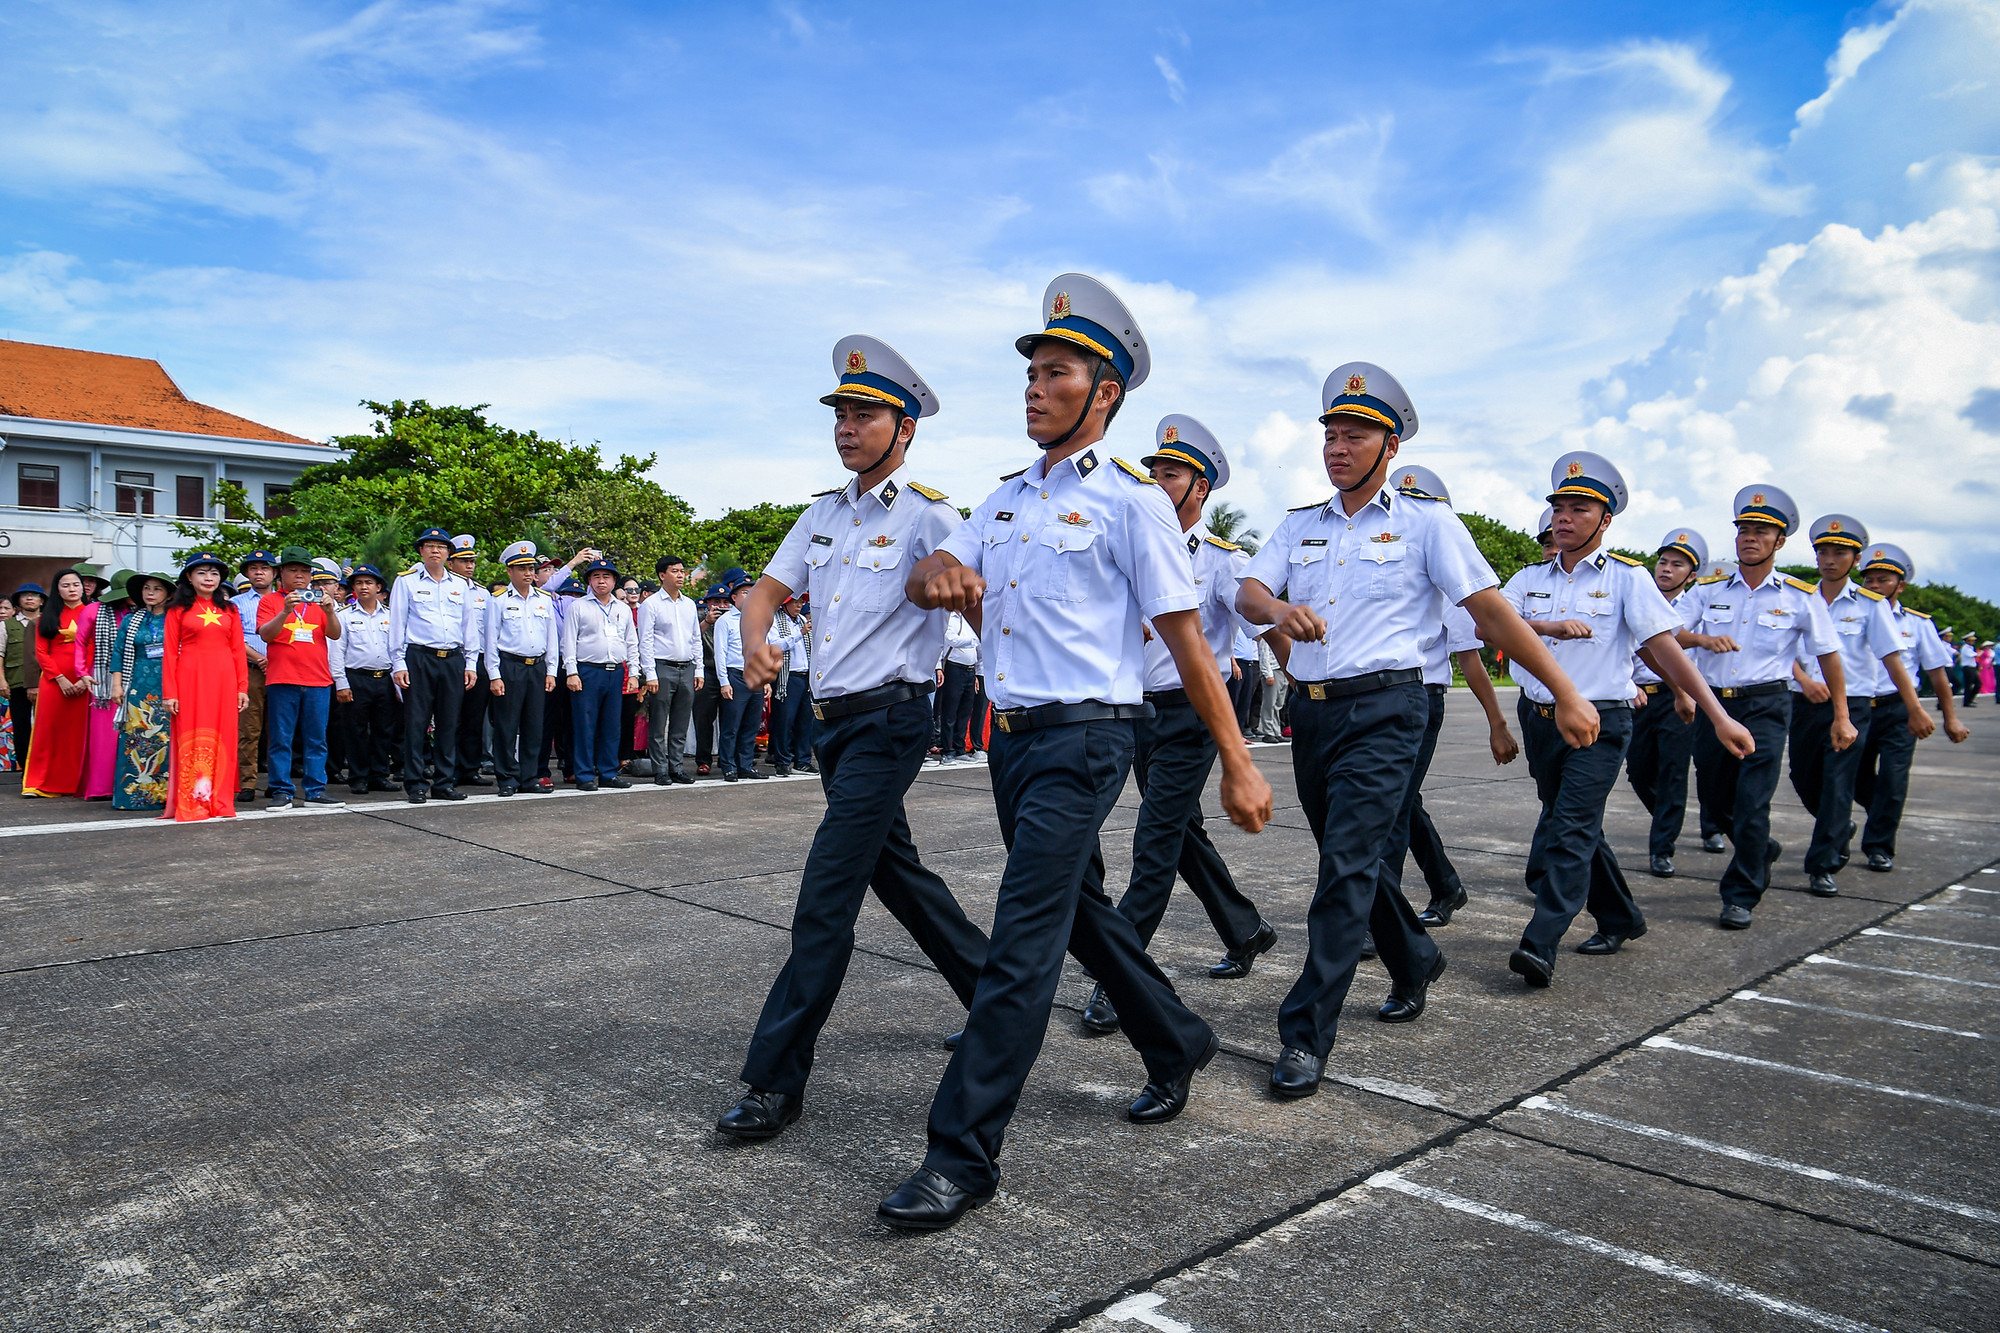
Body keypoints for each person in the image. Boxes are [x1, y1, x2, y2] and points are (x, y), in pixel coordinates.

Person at [894, 275, 1273, 1230]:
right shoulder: (1007, 496)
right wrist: (934, 567)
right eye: (1030, 371)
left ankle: (961, 1154)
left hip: (1091, 737)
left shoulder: (1132, 501)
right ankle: (1177, 1036)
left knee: (1023, 939)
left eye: (1054, 372)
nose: (1033, 387)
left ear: (1102, 394)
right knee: (1075, 912)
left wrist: (1238, 758)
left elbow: (1187, 641)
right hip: (1012, 741)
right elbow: (942, 567)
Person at [1237, 363, 1600, 1094]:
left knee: (1342, 869)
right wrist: (1277, 612)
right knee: (1355, 860)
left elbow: (1492, 612)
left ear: (1390, 445)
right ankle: (1415, 956)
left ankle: (1305, 1033)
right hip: (1312, 711)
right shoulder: (1298, 525)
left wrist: (1563, 690)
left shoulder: (1428, 524)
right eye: (1331, 435)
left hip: (1388, 711)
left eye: (1356, 435)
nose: (1338, 448)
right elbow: (1248, 589)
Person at [716, 333, 991, 1146]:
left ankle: (774, 1078)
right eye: (841, 411)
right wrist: (755, 641)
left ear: (904, 429)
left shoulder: (928, 512)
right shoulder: (821, 513)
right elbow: (762, 593)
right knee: (897, 876)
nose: (847, 425)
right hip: (833, 727)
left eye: (865, 413)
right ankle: (994, 995)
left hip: (891, 718)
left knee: (825, 897)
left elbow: (970, 591)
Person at [1500, 454, 1751, 984]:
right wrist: (1548, 624)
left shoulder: (1627, 579)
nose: (1564, 518)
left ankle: (1540, 941)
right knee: (1576, 823)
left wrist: (1718, 716)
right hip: (1539, 719)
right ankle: (1620, 916)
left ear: (1606, 520)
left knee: (1568, 830)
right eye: (1559, 509)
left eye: (1580, 509)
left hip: (1602, 721)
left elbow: (1667, 650)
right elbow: (1492, 628)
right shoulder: (1526, 578)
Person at [1081, 414, 1279, 1043]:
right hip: (1138, 710)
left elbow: (1254, 619)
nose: (1157, 481)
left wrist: (1295, 651)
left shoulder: (1222, 560)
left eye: (1171, 474)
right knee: (1180, 830)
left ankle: (1121, 978)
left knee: (1155, 839)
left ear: (1200, 489)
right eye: (1155, 471)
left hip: (1193, 714)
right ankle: (1244, 927)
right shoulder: (1133, 539)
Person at [1677, 486, 1849, 929]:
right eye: (1743, 531)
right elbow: (1668, 633)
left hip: (1767, 706)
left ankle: (1741, 893)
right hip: (1714, 705)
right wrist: (1701, 639)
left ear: (1780, 542)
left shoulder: (1799, 596)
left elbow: (1829, 655)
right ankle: (1759, 848)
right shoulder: (1708, 590)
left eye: (1760, 532)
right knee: (1716, 799)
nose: (1749, 539)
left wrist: (1842, 716)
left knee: (1753, 803)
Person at [1382, 465, 1520, 933]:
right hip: (1380, 697)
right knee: (1401, 802)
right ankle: (1445, 885)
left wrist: (1496, 723)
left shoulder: (1446, 573)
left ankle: (1382, 918)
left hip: (1422, 697)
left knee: (1393, 809)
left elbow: (1472, 658)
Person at [1787, 516, 1931, 897]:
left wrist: (1915, 708)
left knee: (1837, 784)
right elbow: (1780, 651)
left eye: (1839, 553)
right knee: (1803, 778)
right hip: (1804, 702)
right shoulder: (1798, 596)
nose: (1829, 560)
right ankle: (1839, 828)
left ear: (1855, 560)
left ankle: (1823, 864)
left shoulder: (1870, 605)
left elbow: (1892, 660)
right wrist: (1804, 680)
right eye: (1823, 552)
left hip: (1852, 707)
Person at [1854, 543, 1970, 870]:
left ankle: (1879, 846)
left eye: (1883, 580)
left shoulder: (1917, 624)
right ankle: (1881, 813)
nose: (1875, 586)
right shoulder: (1848, 614)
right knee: (1853, 777)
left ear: (1900, 585)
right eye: (1870, 580)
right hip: (1858, 708)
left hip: (1898, 710)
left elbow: (1938, 675)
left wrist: (1951, 719)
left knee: (1893, 778)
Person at [1625, 528, 1710, 877]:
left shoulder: (1695, 606)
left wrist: (1685, 693)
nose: (1666, 569)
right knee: (1639, 771)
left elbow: (1678, 641)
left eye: (1677, 565)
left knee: (1673, 772)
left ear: (1691, 575)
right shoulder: (1637, 595)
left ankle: (1662, 847)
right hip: (1639, 695)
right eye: (1663, 562)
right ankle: (1666, 818)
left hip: (1678, 699)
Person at [390, 528, 479, 804]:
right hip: (419, 657)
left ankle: (444, 782)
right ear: (421, 551)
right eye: (429, 546)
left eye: (441, 547)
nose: (435, 551)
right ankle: (416, 782)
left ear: (448, 553)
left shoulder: (459, 584)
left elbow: (468, 626)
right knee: (416, 723)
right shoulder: (405, 582)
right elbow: (397, 624)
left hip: (452, 658)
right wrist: (398, 663)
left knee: (448, 722)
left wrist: (471, 662)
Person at [161, 552, 249, 821]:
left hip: (224, 680)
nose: (208, 578)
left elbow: (237, 651)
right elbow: (169, 653)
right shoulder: (177, 610)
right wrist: (170, 693)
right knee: (191, 734)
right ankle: (193, 800)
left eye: (214, 573)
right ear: (189, 577)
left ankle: (220, 801)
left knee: (224, 736)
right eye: (201, 572)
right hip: (189, 678)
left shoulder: (230, 609)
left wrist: (242, 687)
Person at [256, 546, 344, 809]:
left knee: (316, 737)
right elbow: (266, 635)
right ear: (280, 573)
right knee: (281, 737)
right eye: (292, 570)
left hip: (318, 679)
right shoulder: (270, 601)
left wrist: (330, 610)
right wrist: (284, 611)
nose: (299, 575)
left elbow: (335, 634)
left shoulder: (317, 602)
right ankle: (281, 789)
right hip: (282, 678)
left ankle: (316, 790)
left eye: (304, 571)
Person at [485, 541, 560, 796]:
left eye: (531, 568)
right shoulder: (498, 600)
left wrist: (551, 671)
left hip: (536, 667)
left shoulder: (544, 599)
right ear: (509, 571)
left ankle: (529, 776)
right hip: (510, 666)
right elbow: (491, 641)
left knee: (533, 724)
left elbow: (552, 639)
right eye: (522, 568)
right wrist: (494, 675)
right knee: (507, 724)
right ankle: (507, 777)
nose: (528, 573)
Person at [560, 557, 640, 791]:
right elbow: (569, 642)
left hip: (615, 671)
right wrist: (572, 672)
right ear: (589, 581)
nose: (601, 581)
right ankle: (584, 774)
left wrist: (634, 673)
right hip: (587, 671)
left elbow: (631, 643)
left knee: (611, 725)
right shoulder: (579, 606)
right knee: (585, 724)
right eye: (596, 577)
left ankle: (608, 773)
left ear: (614, 581)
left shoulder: (622, 609)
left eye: (606, 577)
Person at [21, 569, 93, 798]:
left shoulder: (95, 614)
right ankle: (39, 782)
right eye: (65, 585)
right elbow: (41, 652)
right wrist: (59, 679)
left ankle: (78, 783)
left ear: (83, 587)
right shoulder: (46, 617)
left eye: (76, 584)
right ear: (57, 589)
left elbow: (98, 648)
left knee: (80, 733)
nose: (72, 589)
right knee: (48, 731)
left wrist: (84, 677)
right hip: (54, 682)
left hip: (87, 681)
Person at [108, 572, 174, 810]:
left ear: (168, 595)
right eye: (147, 588)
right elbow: (117, 653)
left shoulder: (175, 619)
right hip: (137, 685)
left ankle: (165, 796)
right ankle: (134, 797)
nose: (150, 593)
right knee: (136, 740)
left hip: (168, 684)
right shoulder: (130, 620)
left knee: (165, 739)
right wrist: (117, 685)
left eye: (157, 589)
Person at [330, 564, 398, 795]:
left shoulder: (391, 616)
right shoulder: (344, 616)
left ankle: (379, 774)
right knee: (356, 729)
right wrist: (341, 682)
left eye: (369, 582)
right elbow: (337, 651)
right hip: (356, 678)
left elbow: (398, 648)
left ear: (379, 587)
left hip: (385, 678)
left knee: (384, 729)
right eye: (358, 583)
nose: (363, 587)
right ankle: (358, 777)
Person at [638, 554, 702, 785]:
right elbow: (644, 640)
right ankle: (660, 769)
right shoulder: (651, 604)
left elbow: (696, 638)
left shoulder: (689, 604)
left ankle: (676, 767)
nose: (681, 575)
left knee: (681, 722)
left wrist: (699, 670)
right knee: (659, 722)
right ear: (662, 575)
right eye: (674, 571)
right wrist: (650, 674)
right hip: (662, 666)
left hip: (687, 667)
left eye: (682, 571)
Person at [713, 576, 775, 781]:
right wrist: (724, 682)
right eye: (745, 593)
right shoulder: (725, 621)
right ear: (734, 597)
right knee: (732, 725)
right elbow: (720, 653)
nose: (749, 597)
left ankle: (745, 765)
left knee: (751, 724)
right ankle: (729, 765)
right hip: (735, 675)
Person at [447, 536, 494, 788]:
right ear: (451, 563)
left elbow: (488, 630)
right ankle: (449, 767)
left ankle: (469, 767)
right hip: (455, 658)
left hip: (480, 660)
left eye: (472, 561)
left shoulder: (482, 592)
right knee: (450, 715)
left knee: (474, 717)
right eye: (463, 561)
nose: (469, 566)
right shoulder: (445, 588)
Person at [231, 550, 278, 802]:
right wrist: (259, 659)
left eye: (265, 568)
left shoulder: (284, 600)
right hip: (251, 669)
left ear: (274, 572)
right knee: (249, 728)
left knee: (279, 729)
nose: (259, 572)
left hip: (283, 669)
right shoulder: (237, 603)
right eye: (254, 568)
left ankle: (277, 782)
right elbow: (234, 638)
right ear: (246, 573)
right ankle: (248, 782)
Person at [765, 592, 811, 776]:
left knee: (805, 721)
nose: (799, 606)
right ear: (785, 603)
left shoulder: (801, 620)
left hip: (805, 676)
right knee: (785, 720)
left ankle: (803, 760)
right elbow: (775, 646)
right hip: (787, 677)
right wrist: (799, 634)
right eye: (795, 602)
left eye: (801, 602)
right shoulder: (775, 620)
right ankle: (782, 761)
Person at [692, 585, 728, 776]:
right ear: (708, 603)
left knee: (729, 718)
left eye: (725, 602)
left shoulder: (735, 619)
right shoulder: (699, 618)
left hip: (729, 672)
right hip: (706, 672)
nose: (721, 606)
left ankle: (727, 757)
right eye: (716, 602)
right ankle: (703, 759)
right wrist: (707, 621)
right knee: (703, 718)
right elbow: (689, 639)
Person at [7, 582, 45, 762]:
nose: (30, 598)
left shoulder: (50, 622)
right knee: (21, 727)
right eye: (25, 595)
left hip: (48, 682)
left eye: (34, 595)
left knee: (46, 727)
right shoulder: (7, 625)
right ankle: (25, 770)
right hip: (17, 683)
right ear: (18, 601)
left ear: (42, 601)